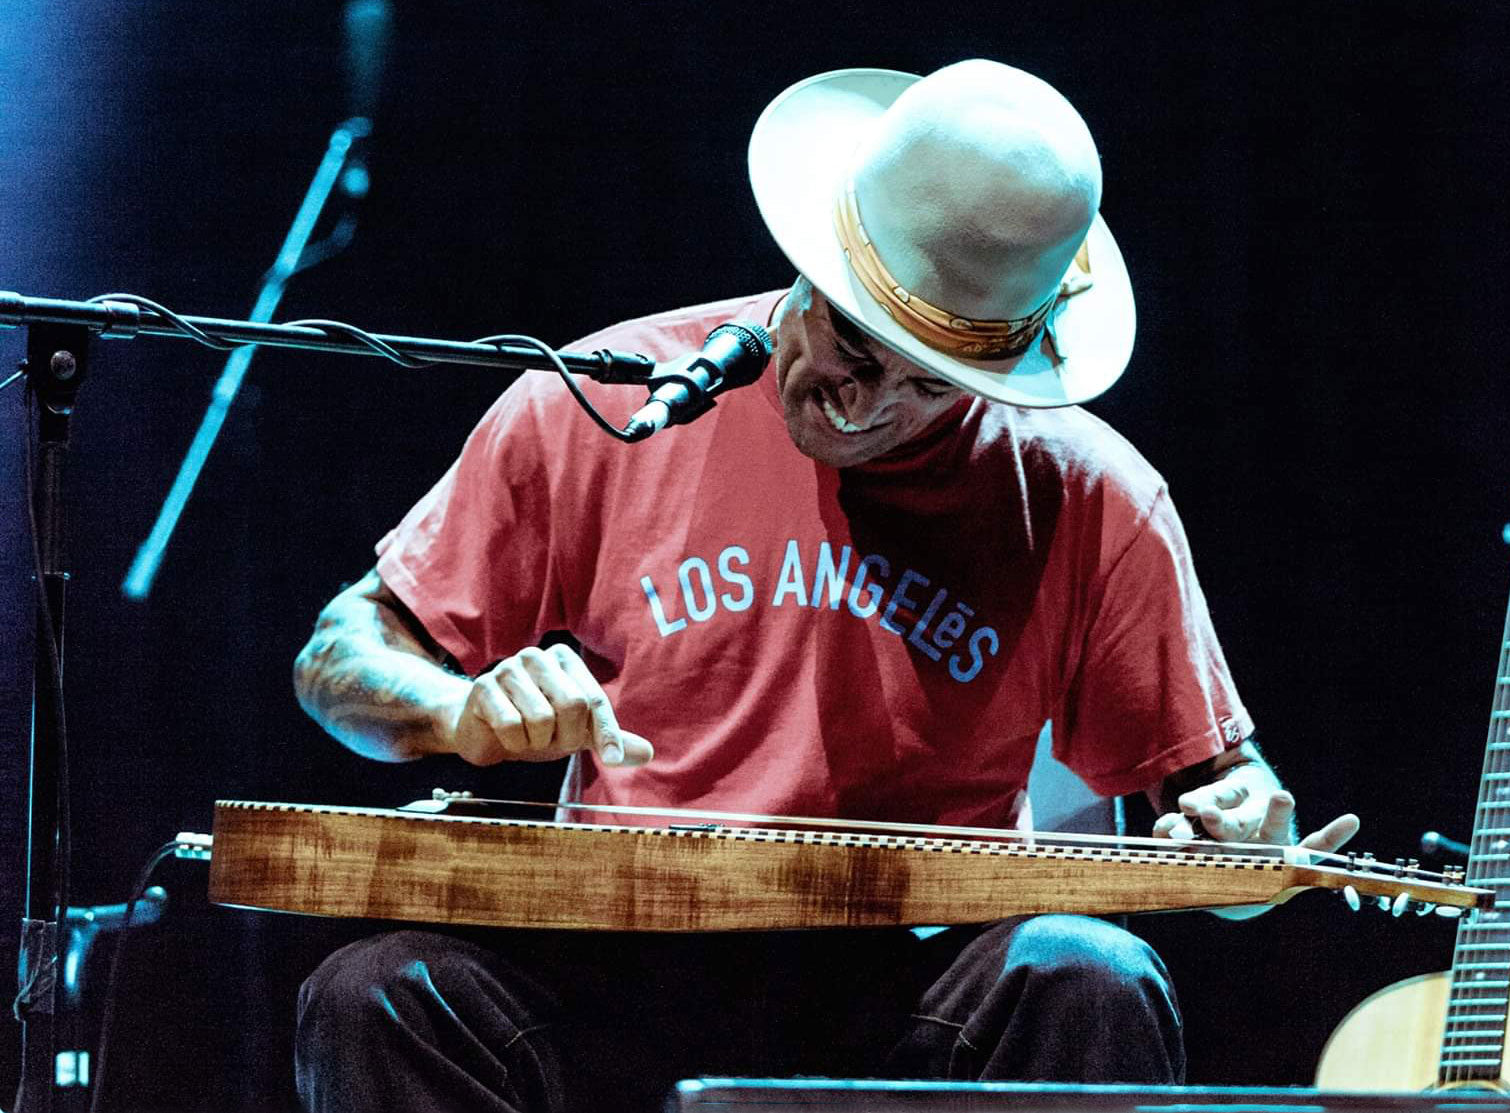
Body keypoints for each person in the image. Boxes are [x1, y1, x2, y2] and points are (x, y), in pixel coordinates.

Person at [290, 60, 1358, 1113]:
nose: (862, 407)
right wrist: (457, 709)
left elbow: (1217, 788)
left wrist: (1242, 830)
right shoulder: (611, 397)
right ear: (812, 263)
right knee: (380, 994)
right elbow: (341, 651)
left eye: (927, 385)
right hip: (620, 956)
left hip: (915, 981)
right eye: (851, 345)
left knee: (1088, 974)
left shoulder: (1088, 492)